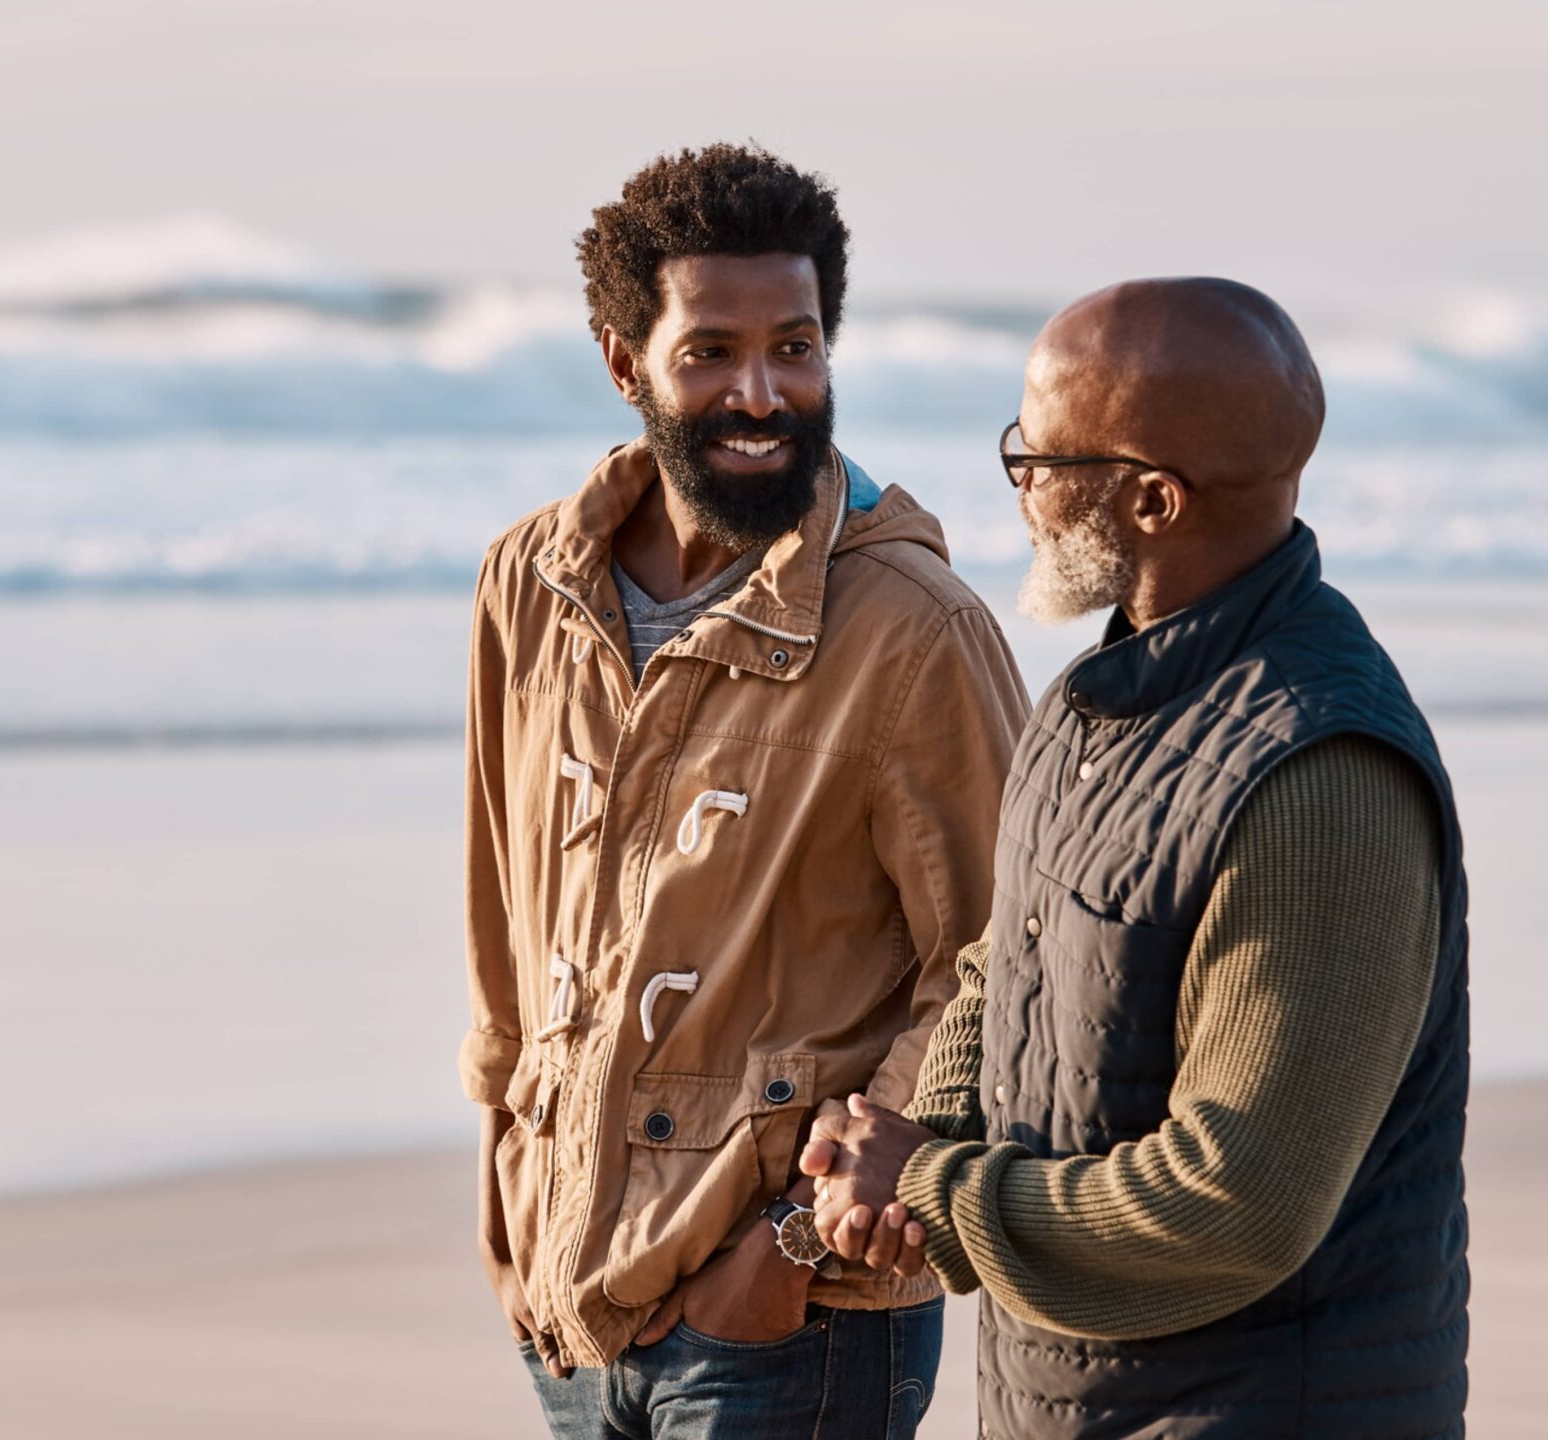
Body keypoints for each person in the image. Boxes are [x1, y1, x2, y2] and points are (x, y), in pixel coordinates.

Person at [802, 278, 1472, 1439]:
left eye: (1041, 460)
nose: (1019, 491)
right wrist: (922, 1131)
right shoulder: (1090, 702)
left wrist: (926, 1187)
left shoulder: (1319, 778)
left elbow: (1235, 1205)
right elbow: (1005, 966)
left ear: (1152, 499)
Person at [458, 144, 1029, 1438]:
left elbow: (1011, 966)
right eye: (711, 351)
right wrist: (507, 1194)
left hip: (783, 1325)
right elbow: (507, 911)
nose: (762, 392)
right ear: (624, 362)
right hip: (571, 1293)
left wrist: (785, 1250)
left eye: (797, 347)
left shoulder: (912, 629)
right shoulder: (527, 587)